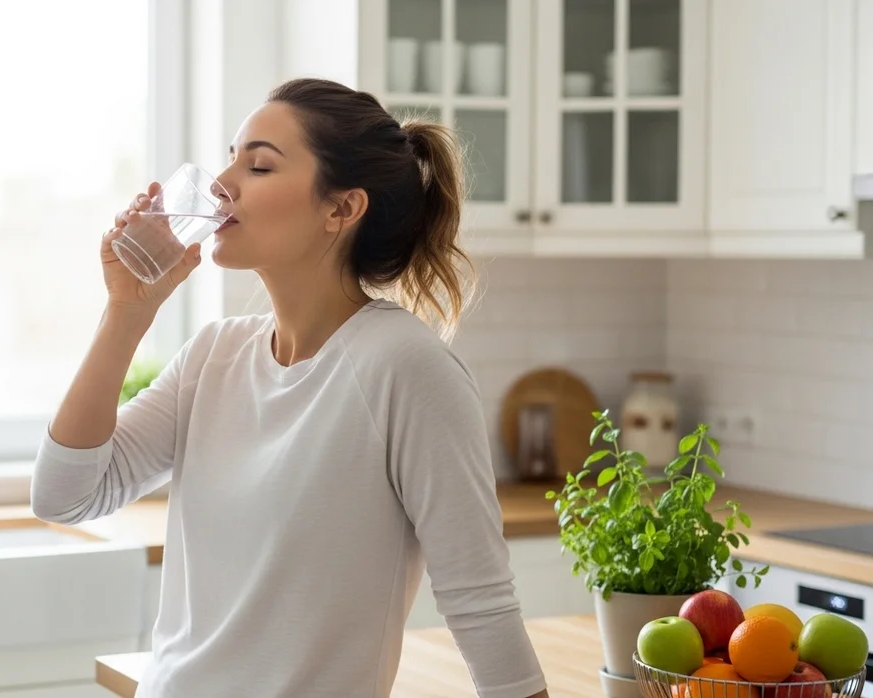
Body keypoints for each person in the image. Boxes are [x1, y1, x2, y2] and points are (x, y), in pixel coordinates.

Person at [31, 77, 549, 698]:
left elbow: (479, 601)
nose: (221, 184)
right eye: (230, 159)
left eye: (258, 166)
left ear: (341, 209)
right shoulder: (213, 356)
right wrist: (126, 313)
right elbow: (63, 496)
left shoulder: (405, 367)